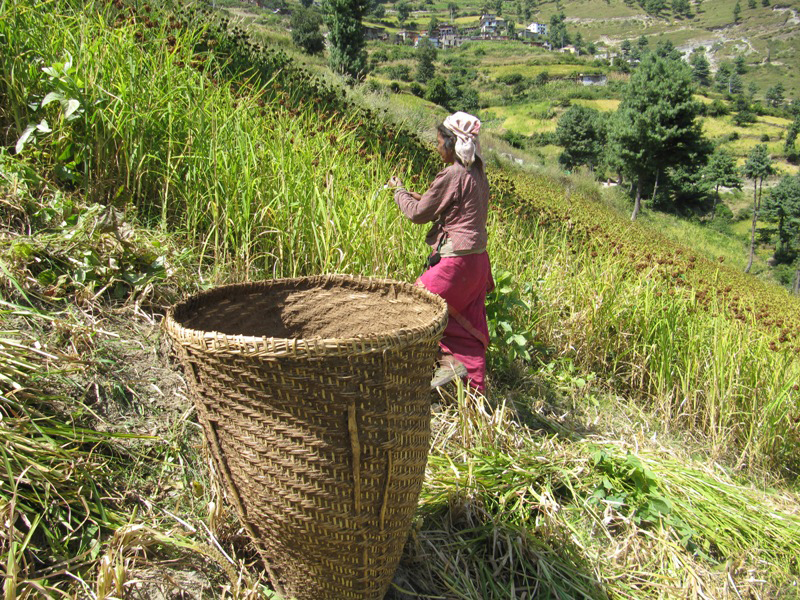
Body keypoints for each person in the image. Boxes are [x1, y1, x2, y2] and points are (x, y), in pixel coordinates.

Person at [387, 112, 493, 393]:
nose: (436, 148)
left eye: (438, 142)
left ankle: (403, 379)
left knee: (413, 306)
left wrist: (399, 192)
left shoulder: (452, 174)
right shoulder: (478, 171)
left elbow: (419, 214)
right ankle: (474, 396)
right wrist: (415, 194)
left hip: (456, 264)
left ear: (450, 142)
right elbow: (451, 204)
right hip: (478, 264)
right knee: (465, 330)